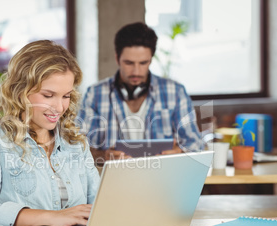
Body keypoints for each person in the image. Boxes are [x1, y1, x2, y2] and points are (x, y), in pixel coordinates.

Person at [0, 40, 100, 226]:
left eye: (66, 96)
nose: (59, 107)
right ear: (20, 92)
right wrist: (50, 217)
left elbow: (98, 206)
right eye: (48, 95)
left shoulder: (75, 142)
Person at [78, 22, 203, 164]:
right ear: (117, 58)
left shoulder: (175, 92)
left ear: (151, 59)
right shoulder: (95, 94)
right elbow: (76, 149)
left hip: (161, 180)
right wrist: (103, 155)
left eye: (143, 63)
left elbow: (196, 145)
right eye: (129, 63)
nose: (136, 72)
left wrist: (179, 152)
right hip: (114, 182)